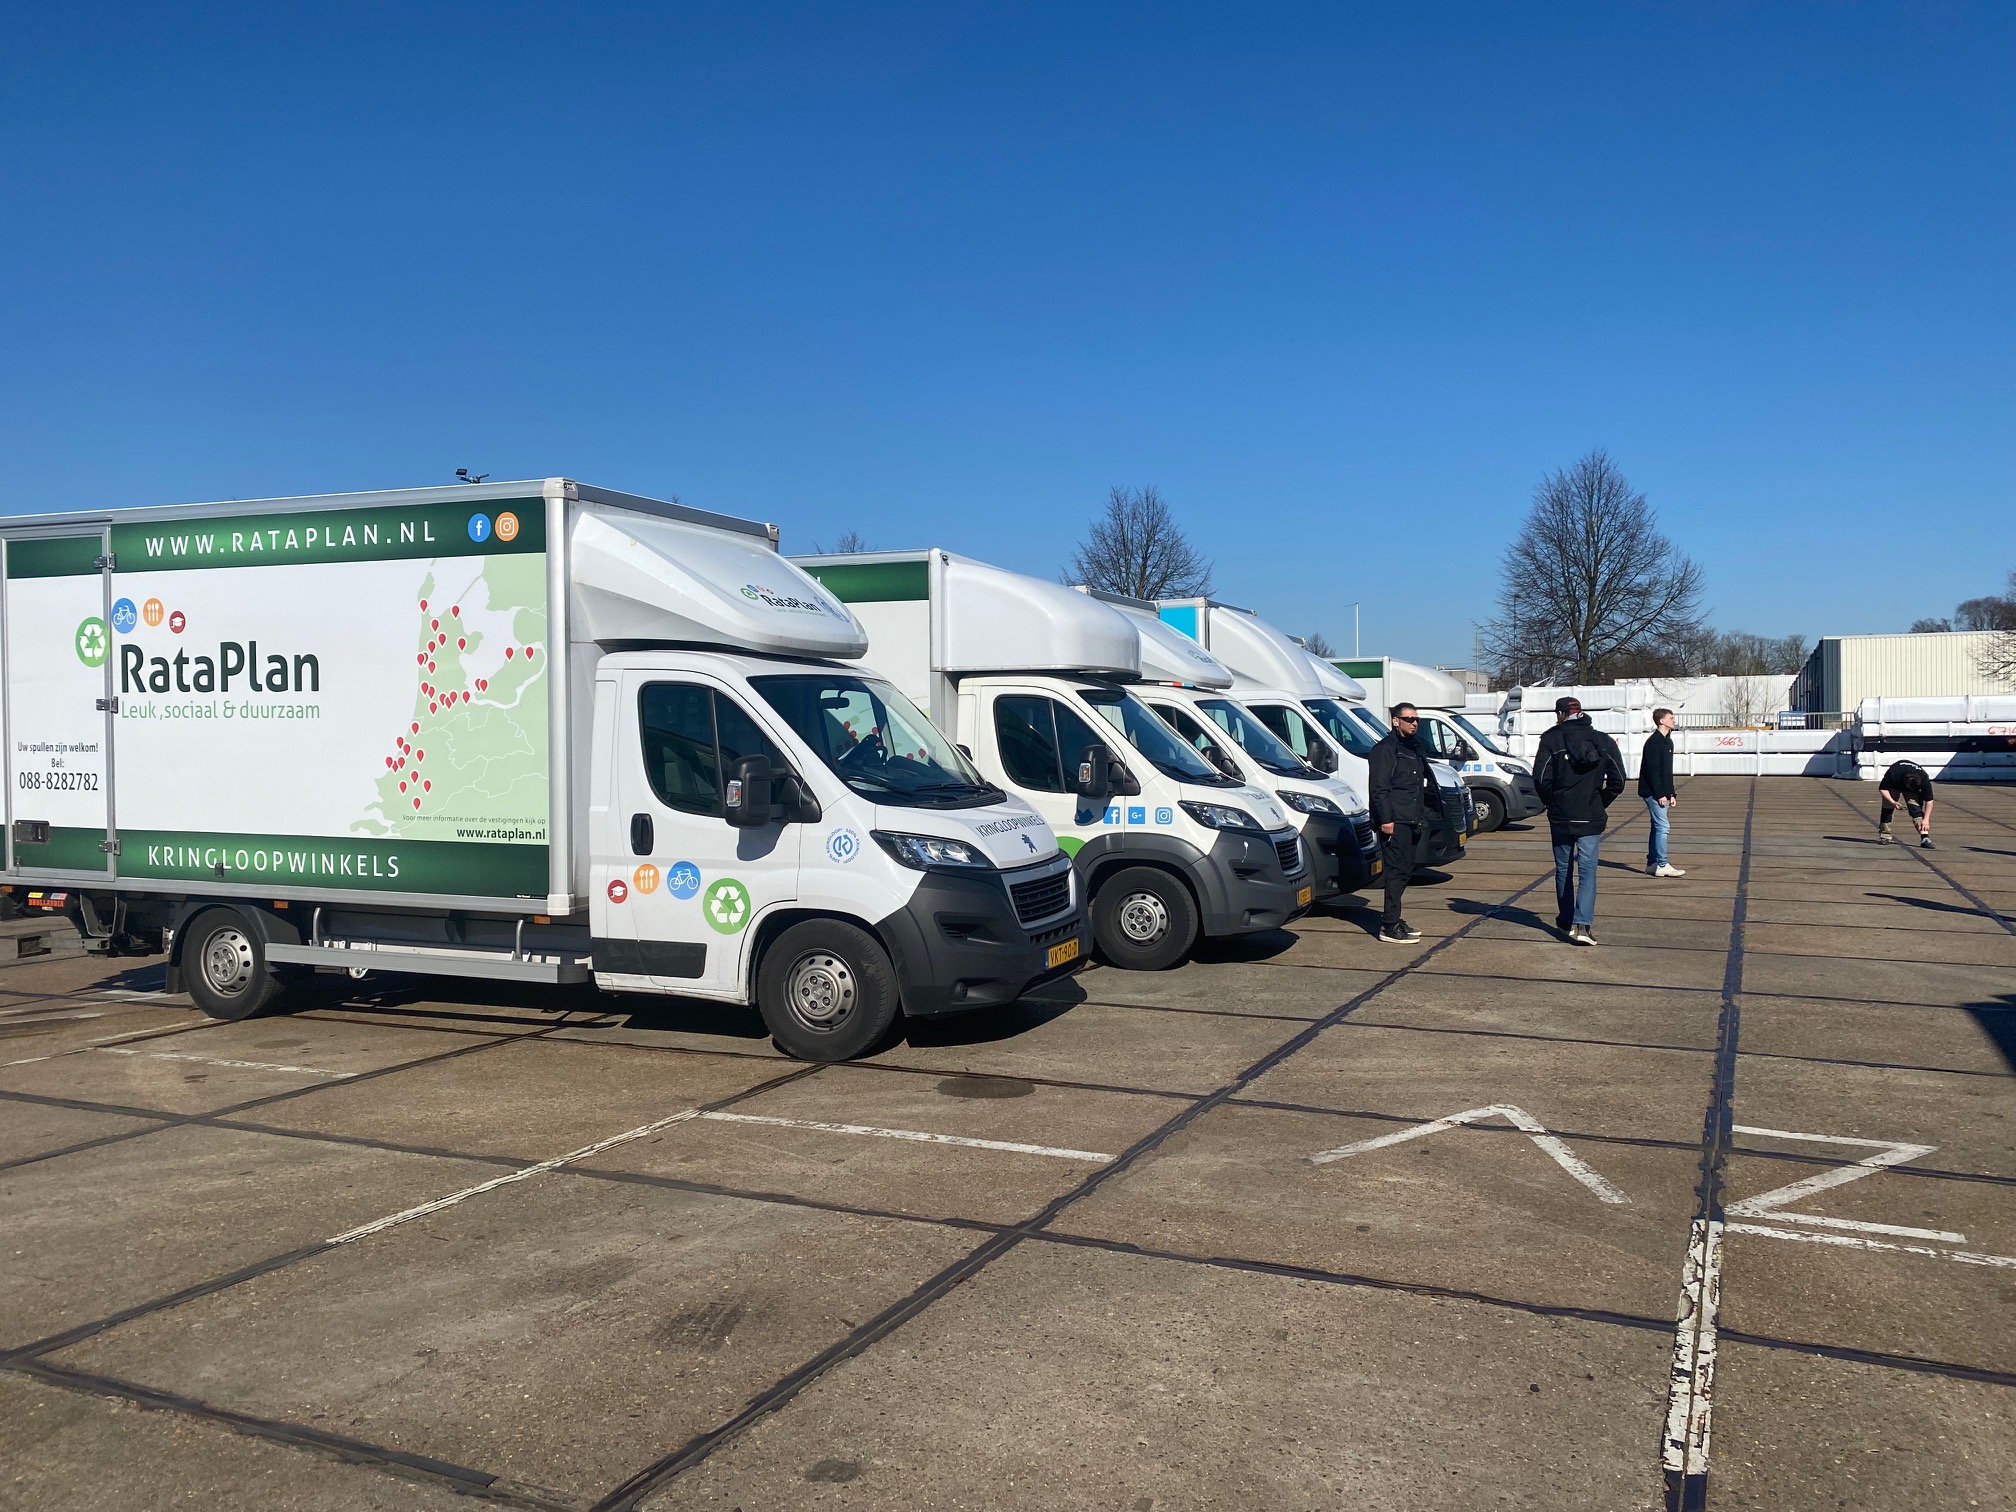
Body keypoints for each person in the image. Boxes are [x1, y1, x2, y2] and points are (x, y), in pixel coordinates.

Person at [1534, 695, 1626, 946]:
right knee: (1588, 871)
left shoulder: (1551, 739)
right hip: (1591, 814)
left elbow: (1541, 779)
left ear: (1560, 714)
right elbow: (1618, 780)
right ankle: (1582, 925)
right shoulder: (1603, 740)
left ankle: (1565, 918)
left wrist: (1552, 802)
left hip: (1562, 814)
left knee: (1564, 868)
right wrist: (1600, 801)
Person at [1367, 702, 1444, 944]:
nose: (1414, 723)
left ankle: (1394, 917)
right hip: (1395, 820)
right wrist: (1386, 819)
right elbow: (1379, 788)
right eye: (1408, 719)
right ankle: (1389, 926)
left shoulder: (1414, 747)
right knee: (1395, 872)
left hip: (1413, 818)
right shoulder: (1385, 749)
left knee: (1406, 869)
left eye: (1416, 719)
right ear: (1395, 721)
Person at [1638, 706, 1685, 878]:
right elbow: (1652, 771)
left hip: (1662, 792)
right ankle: (1663, 864)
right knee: (1663, 827)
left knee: (1656, 827)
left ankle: (1652, 863)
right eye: (1671, 718)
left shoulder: (1668, 742)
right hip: (1652, 793)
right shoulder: (1654, 743)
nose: (1674, 720)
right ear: (1662, 721)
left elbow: (1667, 771)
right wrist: (1660, 794)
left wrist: (1671, 793)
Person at [1877, 759, 1935, 848]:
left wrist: (1926, 819)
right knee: (1887, 808)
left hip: (1912, 787)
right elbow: (1882, 789)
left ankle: (1925, 837)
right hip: (1894, 786)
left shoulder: (1924, 779)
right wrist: (1893, 802)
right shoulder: (1894, 774)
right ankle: (1885, 836)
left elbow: (1929, 800)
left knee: (1916, 810)